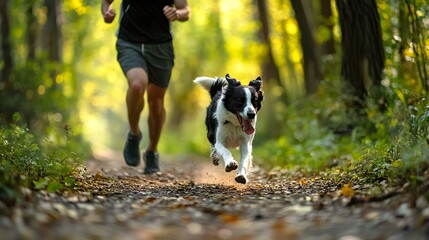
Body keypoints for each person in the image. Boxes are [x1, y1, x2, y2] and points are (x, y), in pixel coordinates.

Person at [101, 0, 190, 174]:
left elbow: (186, 10)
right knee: (136, 85)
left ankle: (151, 151)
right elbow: (106, 2)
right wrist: (107, 12)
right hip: (129, 43)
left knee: (156, 102)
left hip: (161, 46)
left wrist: (177, 14)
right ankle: (134, 133)